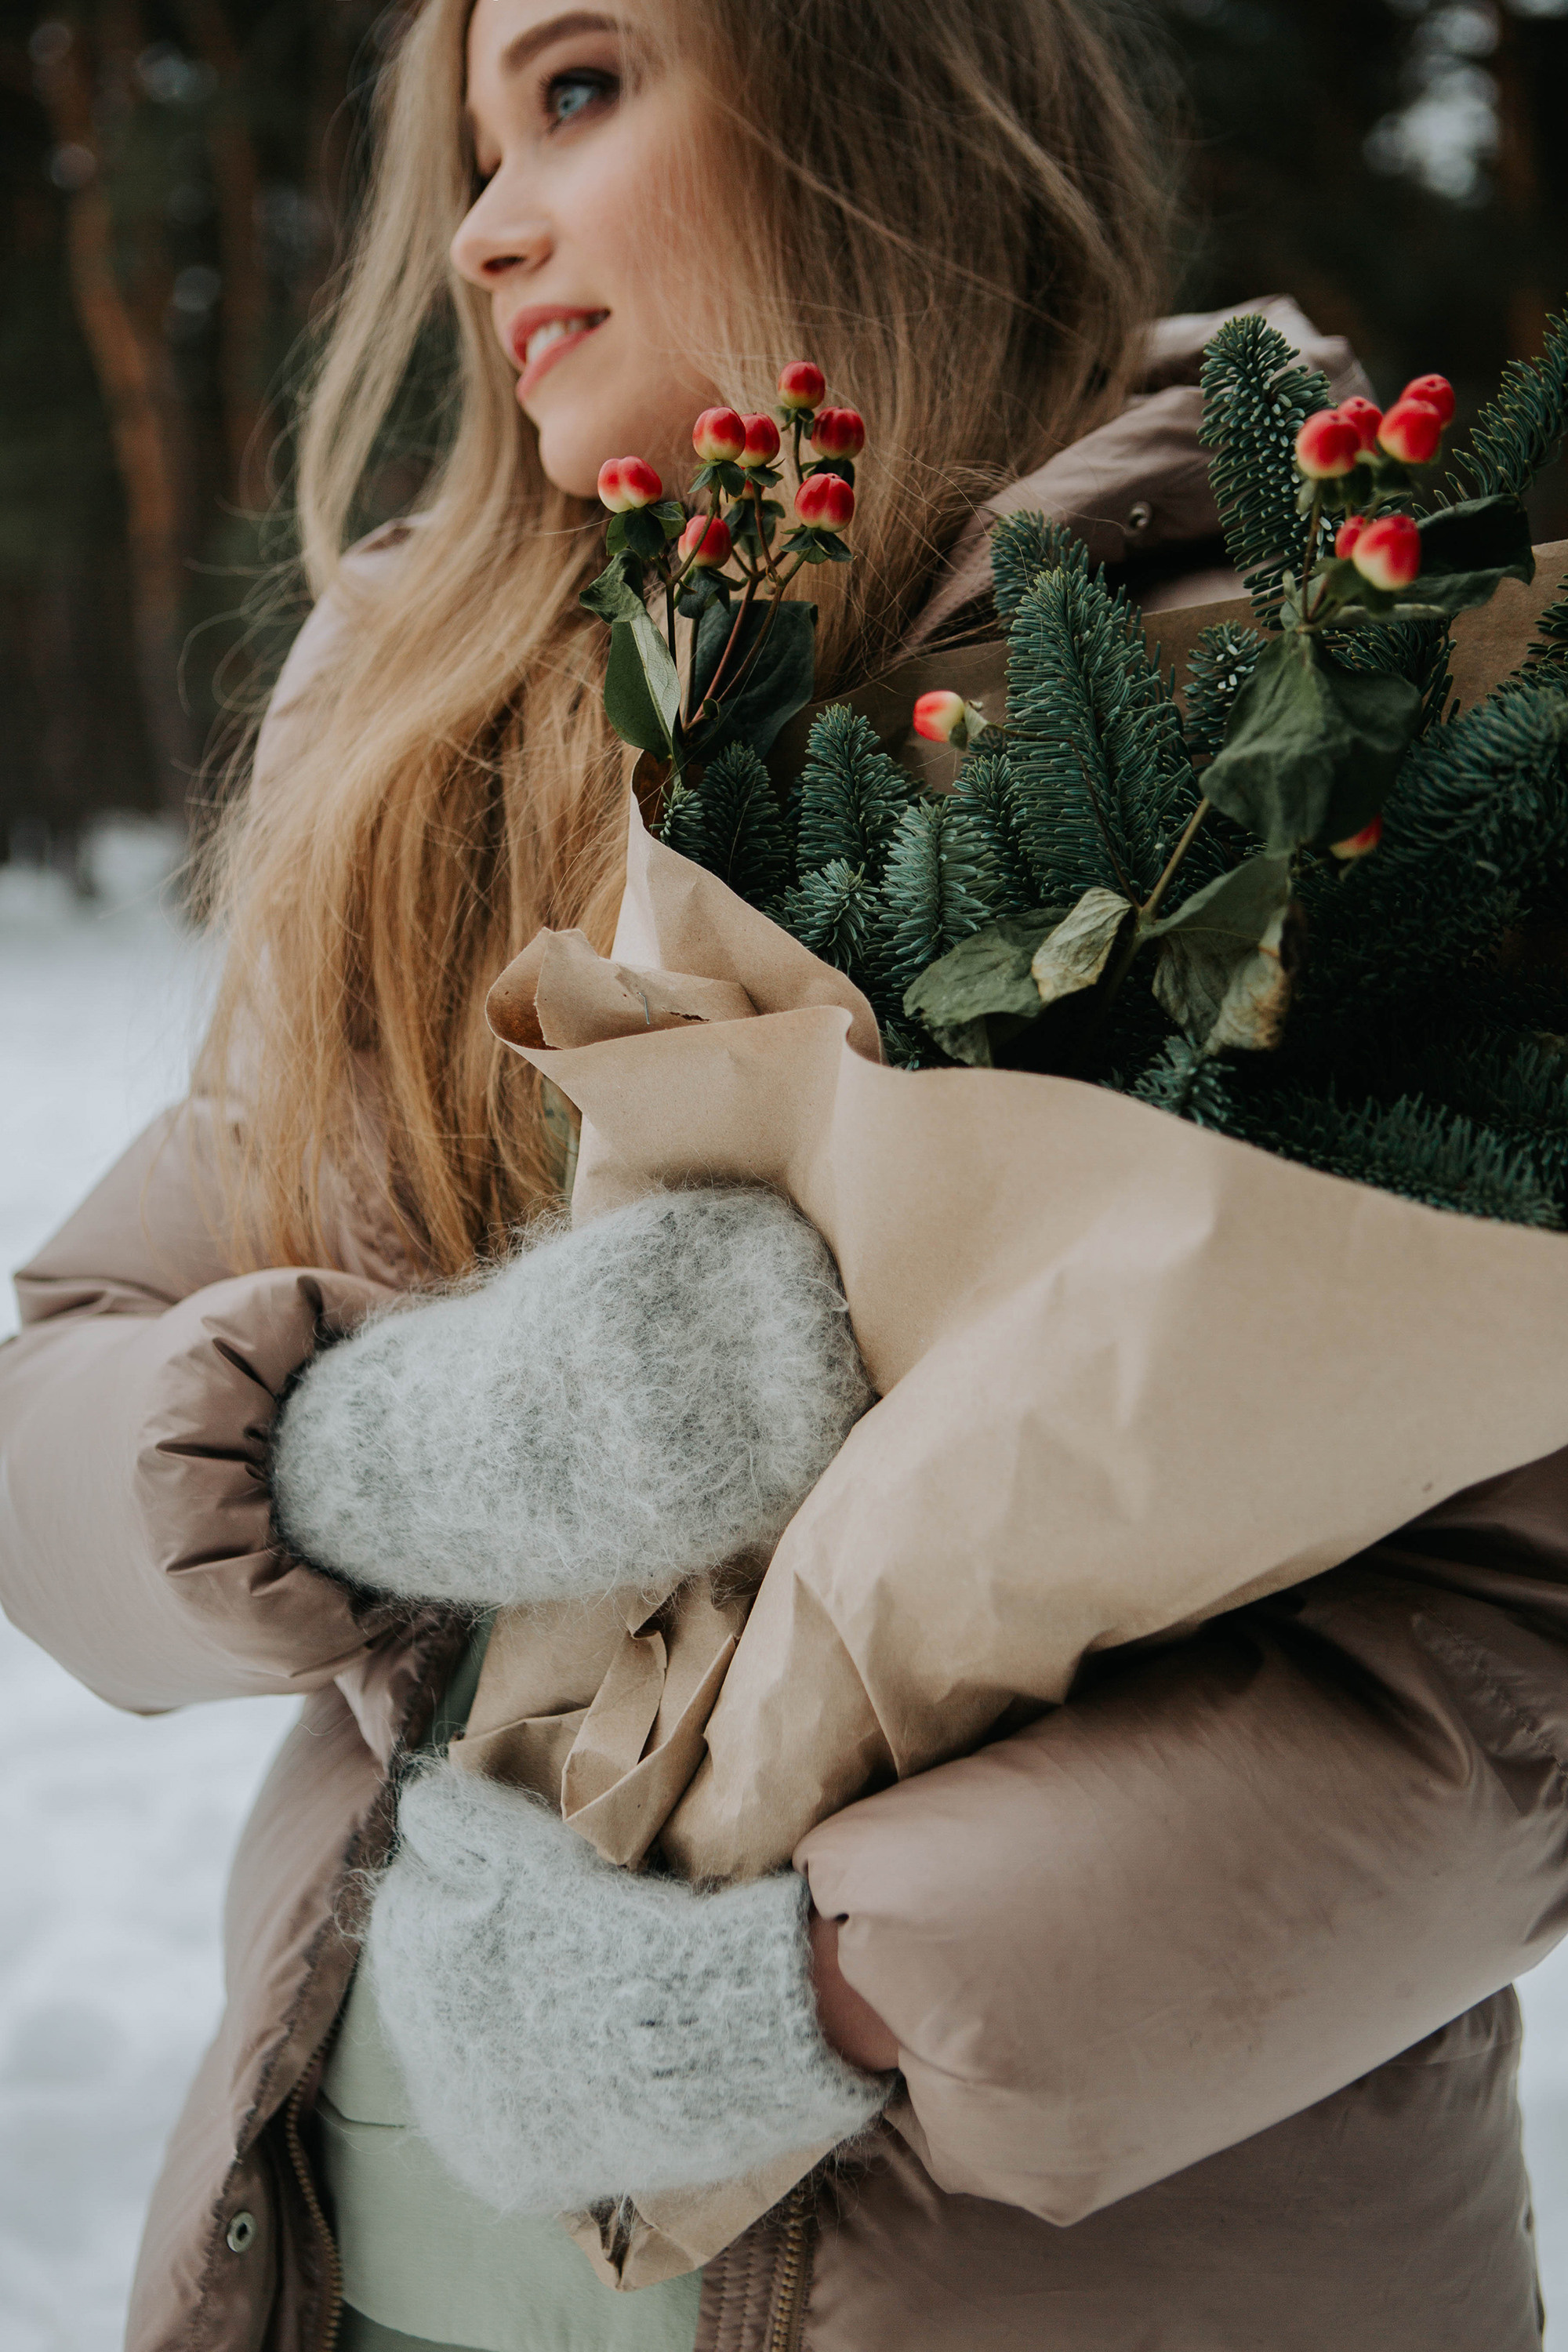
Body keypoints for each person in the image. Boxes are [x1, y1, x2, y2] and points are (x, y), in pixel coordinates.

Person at [2, 0, 1564, 2346]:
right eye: (473, 148)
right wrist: (361, 1454)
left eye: (579, 87)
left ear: (883, 86)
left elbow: (1514, 1649)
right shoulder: (434, 736)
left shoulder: (1305, 687)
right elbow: (61, 1380)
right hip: (348, 2275)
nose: (480, 231)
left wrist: (817, 1996)